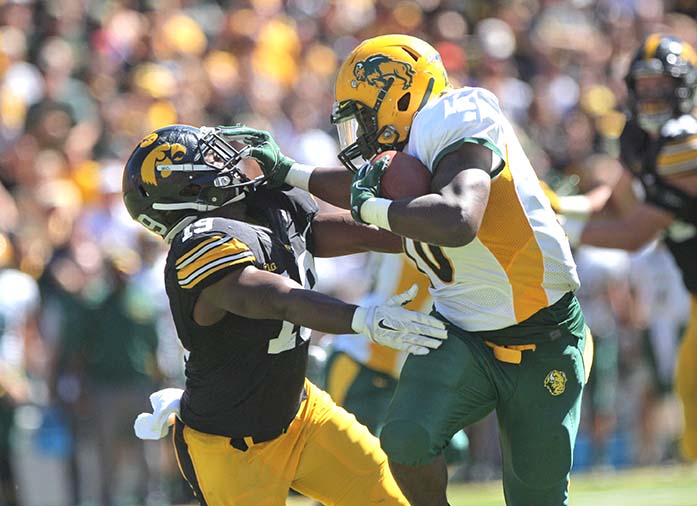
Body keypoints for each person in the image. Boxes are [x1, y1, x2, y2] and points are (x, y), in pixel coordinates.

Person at [229, 34, 592, 506]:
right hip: (462, 333)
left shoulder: (458, 112)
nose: (358, 130)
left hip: (545, 334)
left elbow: (458, 219)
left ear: (401, 92)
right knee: (404, 439)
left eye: (363, 112)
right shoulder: (415, 152)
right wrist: (290, 174)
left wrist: (374, 208)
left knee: (536, 498)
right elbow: (373, 195)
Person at [121, 124, 449, 506]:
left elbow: (358, 232)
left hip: (302, 413)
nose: (223, 160)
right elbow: (279, 299)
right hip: (230, 447)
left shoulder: (264, 205)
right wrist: (363, 319)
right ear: (183, 191)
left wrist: (432, 229)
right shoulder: (199, 243)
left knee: (395, 499)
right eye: (204, 160)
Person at [574, 33, 697, 461]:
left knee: (690, 385)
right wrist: (566, 209)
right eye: (643, 85)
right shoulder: (644, 139)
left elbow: (634, 233)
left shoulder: (684, 142)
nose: (650, 94)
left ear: (682, 86)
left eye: (660, 84)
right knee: (687, 384)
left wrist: (558, 229)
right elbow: (615, 198)